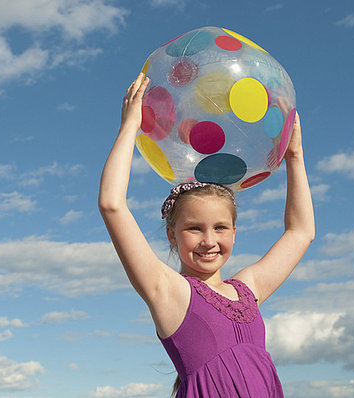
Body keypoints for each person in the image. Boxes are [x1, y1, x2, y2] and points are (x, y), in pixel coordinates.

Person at [98, 72, 315, 397]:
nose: (209, 241)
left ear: (235, 231)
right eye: (194, 228)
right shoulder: (168, 291)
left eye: (220, 227)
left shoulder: (248, 291)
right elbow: (112, 204)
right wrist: (130, 126)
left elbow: (301, 232)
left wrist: (294, 156)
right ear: (172, 234)